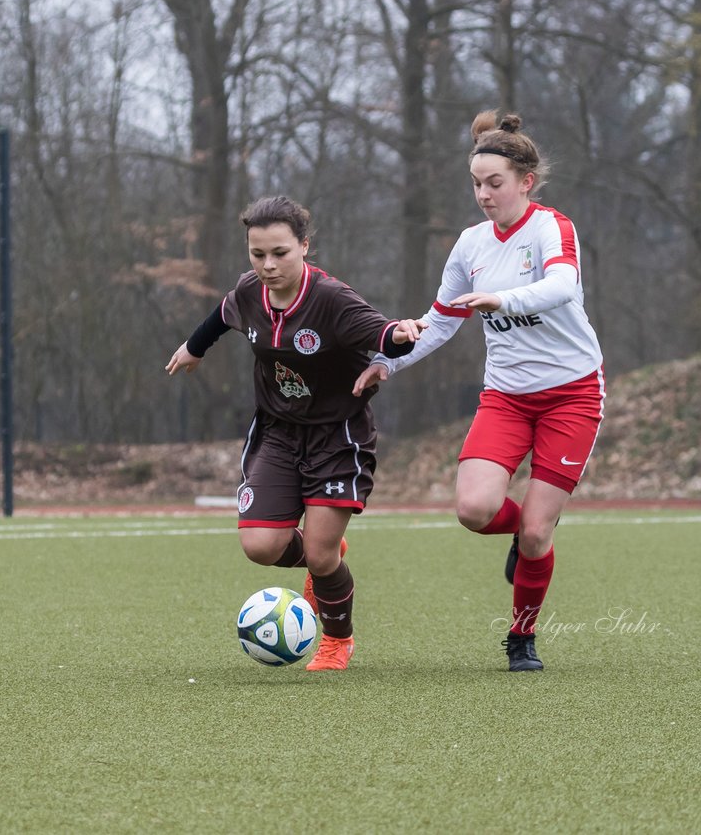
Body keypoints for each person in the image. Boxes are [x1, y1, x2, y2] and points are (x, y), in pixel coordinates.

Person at [353, 110, 605, 672]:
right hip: (508, 396)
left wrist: (500, 300)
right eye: (476, 184)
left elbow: (564, 286)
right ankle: (526, 530)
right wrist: (386, 364)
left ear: (525, 182)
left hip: (572, 393)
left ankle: (521, 638)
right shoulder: (469, 246)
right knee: (473, 508)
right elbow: (440, 321)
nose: (484, 195)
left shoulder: (550, 228)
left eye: (495, 183)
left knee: (538, 534)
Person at [167, 195, 426, 672]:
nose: (267, 265)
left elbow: (380, 331)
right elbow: (222, 316)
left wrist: (402, 332)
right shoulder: (250, 293)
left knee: (321, 555)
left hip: (337, 435)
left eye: (280, 253)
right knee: (260, 546)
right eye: (257, 254)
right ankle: (321, 553)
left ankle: (336, 640)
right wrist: (193, 347)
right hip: (277, 432)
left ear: (304, 246)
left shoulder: (330, 299)